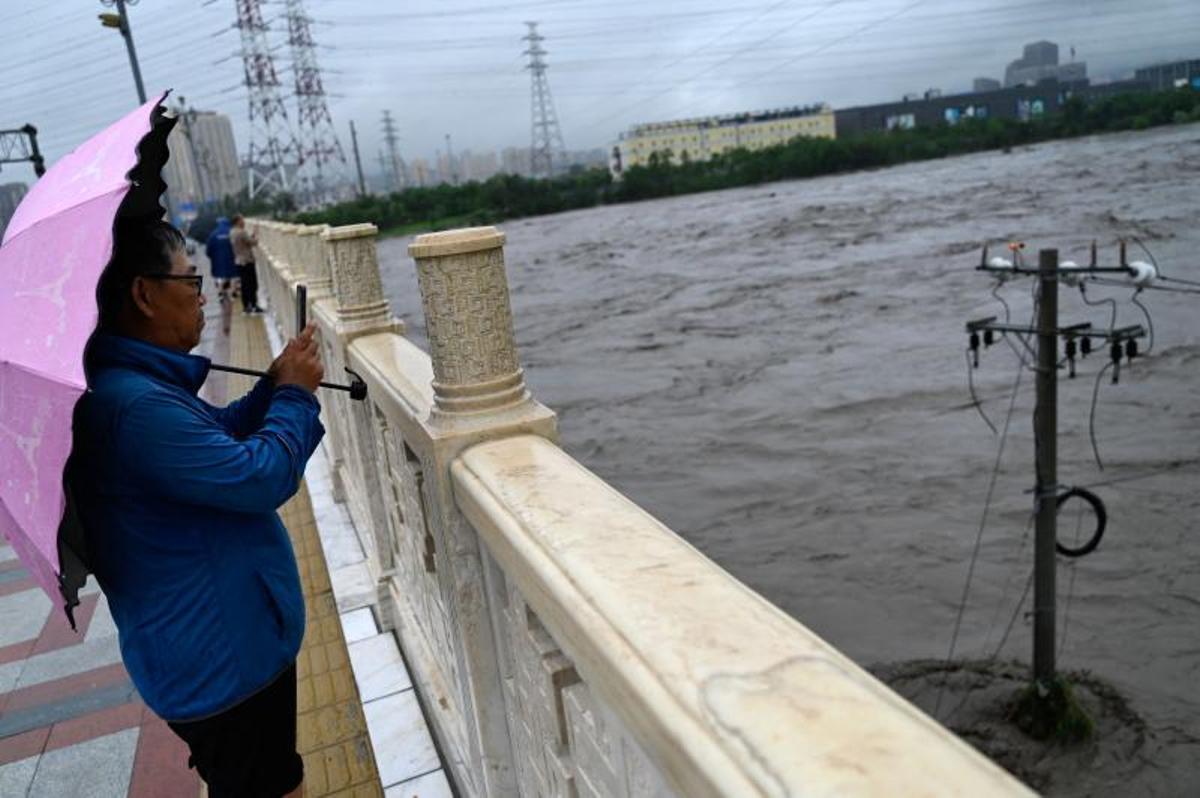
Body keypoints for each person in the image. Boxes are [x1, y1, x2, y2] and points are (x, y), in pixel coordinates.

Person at [73, 216, 325, 797]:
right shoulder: (135, 406)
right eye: (189, 280)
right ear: (144, 293)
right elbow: (257, 477)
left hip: (213, 646)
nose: (202, 294)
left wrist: (273, 385)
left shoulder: (132, 385)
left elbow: (215, 438)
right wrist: (292, 397)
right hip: (218, 658)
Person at [230, 214, 264, 314]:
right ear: (237, 222)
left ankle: (246, 306)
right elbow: (253, 243)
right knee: (252, 284)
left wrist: (251, 235)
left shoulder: (232, 232)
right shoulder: (241, 232)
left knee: (244, 285)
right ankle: (254, 305)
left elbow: (245, 241)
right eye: (242, 220)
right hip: (247, 261)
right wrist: (256, 234)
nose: (244, 222)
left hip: (239, 261)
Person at [204, 216, 238, 300]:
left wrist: (212, 257)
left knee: (220, 276)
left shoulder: (213, 235)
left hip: (218, 261)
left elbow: (208, 250)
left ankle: (220, 292)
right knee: (234, 275)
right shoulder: (231, 232)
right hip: (231, 259)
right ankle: (233, 293)